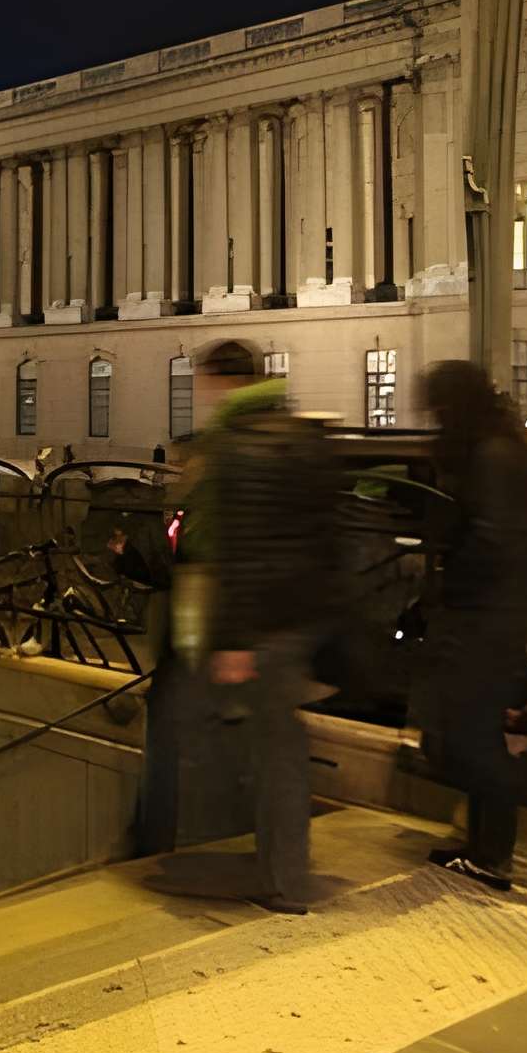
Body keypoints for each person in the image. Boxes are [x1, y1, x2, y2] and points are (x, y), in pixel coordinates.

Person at [178, 340, 338, 912]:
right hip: (297, 618)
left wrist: (234, 641)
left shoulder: (233, 447)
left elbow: (235, 549)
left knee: (261, 749)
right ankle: (276, 867)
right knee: (276, 745)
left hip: (255, 626)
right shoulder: (303, 436)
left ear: (223, 382)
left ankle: (281, 880)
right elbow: (327, 534)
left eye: (203, 382)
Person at [418, 359, 527, 891]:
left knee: (472, 738)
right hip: (497, 613)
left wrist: (452, 589)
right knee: (477, 733)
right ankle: (483, 848)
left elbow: (490, 541)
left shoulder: (492, 456)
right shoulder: (504, 449)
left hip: (484, 616)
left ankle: (493, 853)